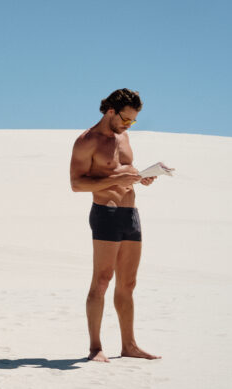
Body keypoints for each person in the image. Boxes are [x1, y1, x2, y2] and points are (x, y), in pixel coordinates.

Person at [69, 88, 161, 362]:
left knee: (128, 283)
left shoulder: (124, 137)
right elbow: (77, 184)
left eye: (133, 121)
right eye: (126, 119)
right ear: (110, 111)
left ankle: (129, 345)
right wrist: (114, 182)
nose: (128, 125)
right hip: (105, 212)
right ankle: (95, 347)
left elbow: (122, 171)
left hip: (130, 213)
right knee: (102, 279)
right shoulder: (87, 141)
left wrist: (140, 176)